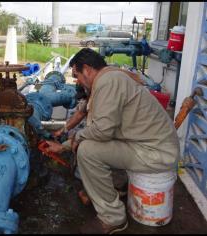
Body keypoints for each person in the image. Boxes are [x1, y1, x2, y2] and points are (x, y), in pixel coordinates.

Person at [46, 48, 180, 234]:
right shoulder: (110, 78)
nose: (77, 81)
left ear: (87, 69)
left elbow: (102, 131)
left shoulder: (108, 82)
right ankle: (115, 190)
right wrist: (64, 147)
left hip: (156, 153)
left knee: (87, 151)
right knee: (88, 144)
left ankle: (113, 218)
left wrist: (75, 139)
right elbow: (103, 128)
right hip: (146, 146)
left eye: (77, 75)